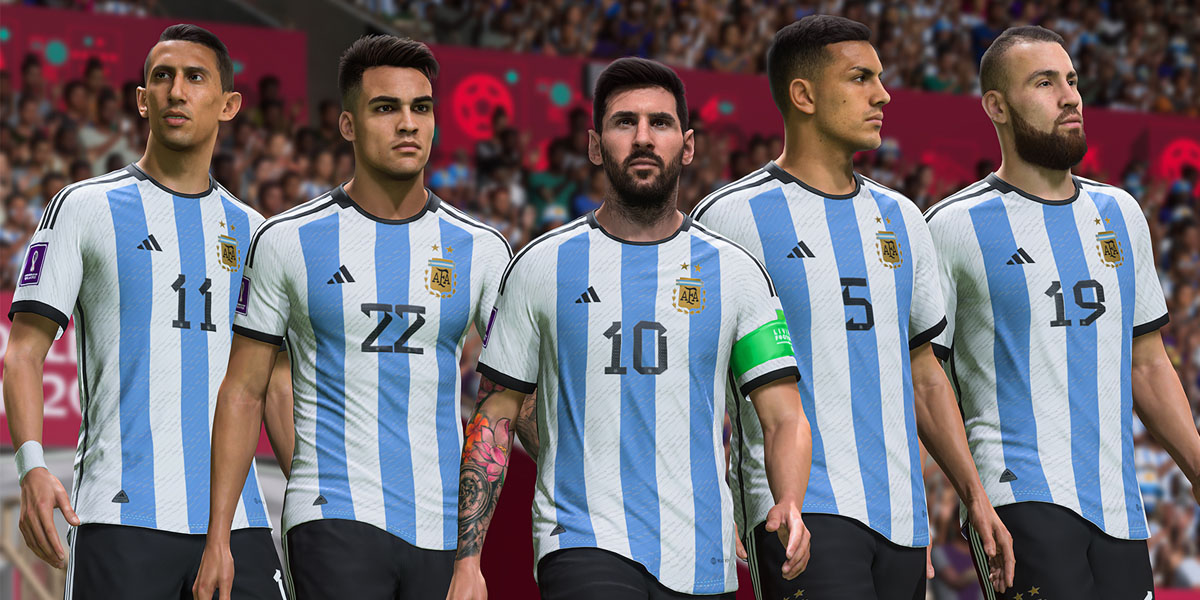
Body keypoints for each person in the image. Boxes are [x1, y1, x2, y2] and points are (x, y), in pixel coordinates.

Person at [445, 57, 813, 600]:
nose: (643, 137)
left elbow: (784, 417)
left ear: (687, 146)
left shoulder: (738, 273)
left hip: (702, 554)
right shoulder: (540, 265)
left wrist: (790, 501)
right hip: (580, 540)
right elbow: (495, 414)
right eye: (625, 122)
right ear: (595, 146)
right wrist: (468, 560)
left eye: (660, 123)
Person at [691, 15, 1013, 600]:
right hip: (798, 511)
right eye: (861, 78)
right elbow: (697, 378)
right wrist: (710, 499)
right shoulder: (728, 219)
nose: (883, 94)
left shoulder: (903, 219)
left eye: (880, 78)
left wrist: (975, 496)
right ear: (804, 95)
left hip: (900, 520)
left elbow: (924, 375)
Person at [193, 35, 512, 600]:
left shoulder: (483, 249)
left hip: (442, 528)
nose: (407, 124)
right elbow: (243, 390)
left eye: (421, 108)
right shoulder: (287, 239)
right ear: (347, 125)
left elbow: (514, 396)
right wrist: (218, 536)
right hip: (331, 512)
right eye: (385, 108)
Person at [4, 24, 288, 598]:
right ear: (142, 99)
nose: (176, 91)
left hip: (239, 523)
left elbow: (276, 383)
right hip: (119, 515)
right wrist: (32, 465)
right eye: (162, 77)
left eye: (195, 77)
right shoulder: (83, 207)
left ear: (229, 105)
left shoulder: (258, 234)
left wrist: (315, 498)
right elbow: (23, 353)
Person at [924, 25, 1200, 600]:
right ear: (997, 106)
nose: (1070, 96)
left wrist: (1197, 465)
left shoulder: (1120, 212)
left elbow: (1147, 364)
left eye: (1071, 80)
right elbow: (925, 377)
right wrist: (964, 497)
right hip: (1016, 493)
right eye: (1045, 83)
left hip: (1119, 507)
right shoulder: (952, 226)